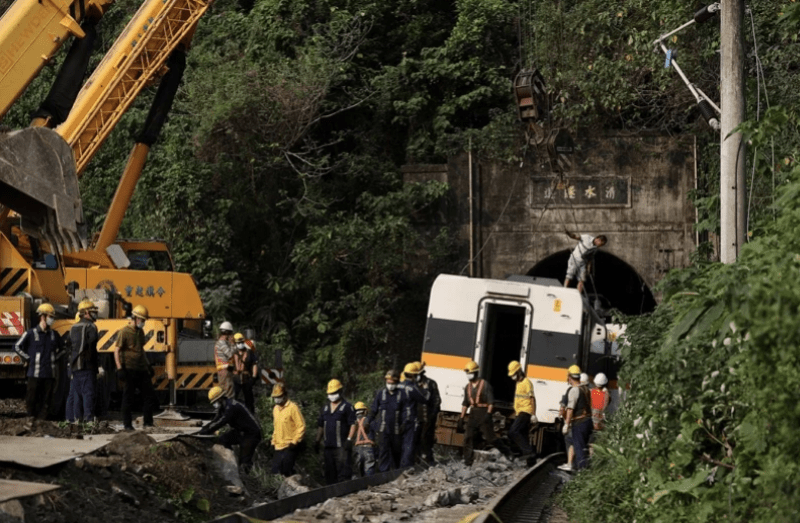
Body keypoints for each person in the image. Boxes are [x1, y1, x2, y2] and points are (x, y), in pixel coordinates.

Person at [15, 303, 64, 419]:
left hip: (49, 375)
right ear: (43, 317)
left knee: (46, 400)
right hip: (34, 374)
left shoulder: (54, 335)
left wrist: (55, 358)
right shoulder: (31, 333)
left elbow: (63, 349)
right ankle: (31, 421)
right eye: (50, 317)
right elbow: (17, 346)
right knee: (32, 399)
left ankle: (43, 423)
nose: (52, 320)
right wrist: (27, 358)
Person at [458, 361, 511, 466]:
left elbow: (491, 402)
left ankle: (507, 452)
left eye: (471, 372)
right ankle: (468, 462)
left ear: (476, 373)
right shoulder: (467, 387)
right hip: (473, 413)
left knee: (490, 438)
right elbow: (465, 403)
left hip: (484, 412)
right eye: (467, 373)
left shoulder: (485, 385)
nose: (469, 375)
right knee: (468, 437)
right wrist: (461, 417)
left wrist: (488, 414)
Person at [199, 386, 263, 473]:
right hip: (240, 432)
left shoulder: (231, 406)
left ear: (220, 398)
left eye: (215, 402)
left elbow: (222, 421)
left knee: (244, 460)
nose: (215, 404)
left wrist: (207, 431)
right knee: (223, 440)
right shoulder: (222, 407)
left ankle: (245, 476)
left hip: (251, 434)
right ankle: (231, 461)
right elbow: (216, 419)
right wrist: (205, 428)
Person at [114, 305, 158, 430]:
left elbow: (141, 350)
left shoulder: (140, 332)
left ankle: (148, 423)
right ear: (136, 318)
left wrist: (148, 366)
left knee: (148, 395)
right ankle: (127, 425)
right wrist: (119, 368)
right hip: (129, 369)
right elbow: (116, 350)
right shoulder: (124, 332)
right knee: (128, 397)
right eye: (142, 320)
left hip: (141, 369)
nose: (143, 323)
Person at [314, 379, 356, 484]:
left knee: (344, 473)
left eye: (334, 393)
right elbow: (321, 425)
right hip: (328, 446)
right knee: (329, 474)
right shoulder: (325, 408)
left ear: (340, 392)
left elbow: (353, 424)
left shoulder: (347, 407)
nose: (332, 395)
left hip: (342, 446)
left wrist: (349, 439)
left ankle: (345, 495)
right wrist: (317, 441)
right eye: (330, 393)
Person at [66, 299, 102, 423]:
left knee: (77, 395)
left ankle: (77, 420)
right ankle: (89, 420)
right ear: (86, 312)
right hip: (87, 367)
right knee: (88, 394)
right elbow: (91, 347)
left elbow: (69, 346)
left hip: (75, 367)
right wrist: (97, 365)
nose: (95, 314)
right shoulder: (91, 326)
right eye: (92, 312)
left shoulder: (72, 327)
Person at [368, 369, 409, 472]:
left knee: (397, 454)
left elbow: (405, 412)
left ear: (397, 382)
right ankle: (383, 475)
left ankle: (396, 474)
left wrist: (404, 424)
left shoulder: (402, 395)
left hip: (396, 432)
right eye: (388, 382)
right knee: (383, 454)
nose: (390, 384)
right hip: (383, 430)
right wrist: (368, 421)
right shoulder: (380, 394)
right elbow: (373, 410)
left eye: (392, 382)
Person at [270, 384, 305, 476]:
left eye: (279, 396)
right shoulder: (275, 409)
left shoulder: (293, 407)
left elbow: (301, 426)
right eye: (275, 397)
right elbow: (276, 427)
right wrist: (273, 440)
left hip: (289, 445)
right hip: (278, 446)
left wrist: (295, 441)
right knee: (275, 472)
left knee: (286, 471)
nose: (277, 399)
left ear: (284, 395)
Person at [399, 362, 430, 467]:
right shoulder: (413, 388)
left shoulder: (398, 385)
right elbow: (424, 399)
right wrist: (425, 389)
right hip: (410, 419)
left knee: (398, 443)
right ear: (413, 375)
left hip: (397, 419)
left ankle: (396, 467)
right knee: (409, 444)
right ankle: (406, 467)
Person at [563, 364, 593, 470]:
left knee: (579, 447)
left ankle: (581, 472)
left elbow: (570, 408)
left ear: (570, 377)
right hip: (588, 421)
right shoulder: (585, 389)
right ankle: (577, 466)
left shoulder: (574, 390)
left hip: (580, 422)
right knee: (580, 445)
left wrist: (566, 424)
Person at [507, 360, 537, 465]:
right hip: (519, 412)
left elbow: (532, 399)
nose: (513, 377)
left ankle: (528, 453)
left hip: (526, 411)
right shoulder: (518, 383)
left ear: (519, 372)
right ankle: (531, 462)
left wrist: (533, 414)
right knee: (523, 435)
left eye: (514, 374)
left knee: (513, 431)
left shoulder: (526, 382)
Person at [414, 362, 441, 465]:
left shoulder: (431, 383)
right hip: (414, 418)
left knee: (426, 440)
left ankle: (428, 461)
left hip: (428, 418)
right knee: (414, 440)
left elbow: (437, 400)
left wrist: (433, 414)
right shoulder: (411, 384)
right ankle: (415, 461)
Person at [233, 333, 258, 413]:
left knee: (249, 398)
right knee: (233, 398)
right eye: (238, 343)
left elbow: (254, 364)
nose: (240, 344)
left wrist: (254, 377)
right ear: (235, 343)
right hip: (235, 379)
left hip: (246, 379)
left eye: (241, 342)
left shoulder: (249, 352)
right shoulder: (232, 353)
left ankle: (250, 414)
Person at [214, 322, 238, 400]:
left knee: (224, 392)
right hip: (225, 371)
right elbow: (230, 354)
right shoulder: (222, 343)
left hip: (222, 370)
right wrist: (233, 344)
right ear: (228, 333)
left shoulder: (218, 342)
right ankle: (230, 409)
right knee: (229, 393)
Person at [352, 401, 376, 477]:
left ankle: (355, 487)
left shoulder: (352, 422)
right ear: (365, 411)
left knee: (356, 472)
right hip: (368, 448)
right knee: (369, 472)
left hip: (357, 449)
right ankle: (369, 486)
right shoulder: (370, 421)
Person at [589, 372, 611, 447]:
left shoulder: (591, 391)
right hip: (599, 423)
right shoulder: (606, 394)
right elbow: (607, 402)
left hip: (589, 421)